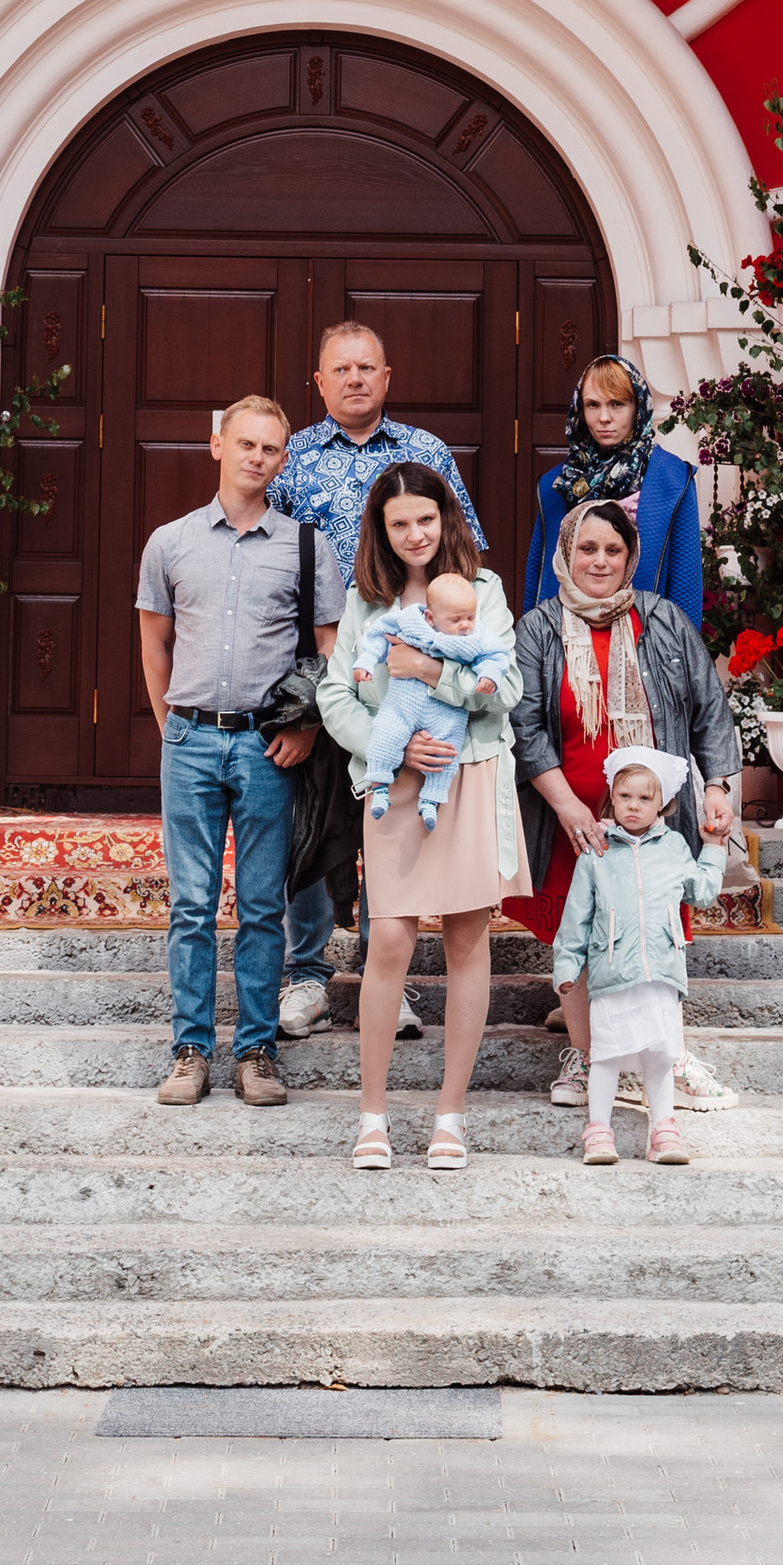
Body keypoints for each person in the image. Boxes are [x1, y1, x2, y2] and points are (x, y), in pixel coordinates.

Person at [272, 320, 487, 1043]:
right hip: (323, 675)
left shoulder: (423, 453)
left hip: (414, 678)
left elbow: (464, 554)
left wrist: (447, 659)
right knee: (314, 824)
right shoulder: (295, 458)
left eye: (368, 367)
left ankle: (380, 980)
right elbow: (274, 568)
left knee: (391, 824)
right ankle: (306, 976)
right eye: (342, 369)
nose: (356, 379)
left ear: (388, 377)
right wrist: (303, 696)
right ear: (320, 381)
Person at [136, 395, 345, 1109]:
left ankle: (256, 1051)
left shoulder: (306, 546)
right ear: (217, 444)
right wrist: (170, 722)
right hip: (191, 739)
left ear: (283, 458)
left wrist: (309, 725)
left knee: (261, 905)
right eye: (247, 443)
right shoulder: (170, 541)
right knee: (191, 905)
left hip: (267, 746)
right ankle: (190, 1049)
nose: (258, 457)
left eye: (272, 448)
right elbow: (154, 638)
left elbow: (330, 651)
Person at [507, 499, 742, 1115]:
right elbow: (524, 723)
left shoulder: (664, 620)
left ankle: (670, 1055)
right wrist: (567, 807)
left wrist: (717, 785)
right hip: (571, 815)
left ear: (631, 556)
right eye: (587, 549)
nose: (601, 561)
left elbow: (708, 708)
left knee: (656, 928)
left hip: (654, 816)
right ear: (566, 554)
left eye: (614, 550)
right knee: (579, 936)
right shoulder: (537, 627)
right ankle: (589, 1059)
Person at [317, 463, 521, 1170]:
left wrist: (429, 671)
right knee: (390, 941)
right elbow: (335, 697)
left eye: (425, 520)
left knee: (468, 940)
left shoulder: (484, 591)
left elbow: (508, 687)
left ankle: (450, 1116)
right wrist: (399, 748)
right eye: (399, 523)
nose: (414, 535)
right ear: (382, 528)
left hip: (467, 776)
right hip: (394, 782)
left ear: (447, 519)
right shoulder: (365, 603)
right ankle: (371, 1116)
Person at [553, 747, 729, 1166]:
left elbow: (702, 892)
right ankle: (598, 1131)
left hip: (662, 972)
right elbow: (576, 917)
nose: (634, 805)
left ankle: (663, 1130)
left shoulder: (674, 849)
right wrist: (566, 966)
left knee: (660, 1055)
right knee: (606, 1055)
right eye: (625, 796)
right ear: (612, 797)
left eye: (644, 798)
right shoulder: (597, 853)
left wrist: (714, 848)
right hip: (612, 971)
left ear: (662, 803)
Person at [524, 352, 702, 623]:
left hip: (645, 642)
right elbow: (539, 583)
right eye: (592, 405)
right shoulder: (558, 485)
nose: (603, 417)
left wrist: (679, 656)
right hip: (567, 640)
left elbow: (685, 585)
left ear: (638, 407)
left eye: (617, 404)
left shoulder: (672, 481)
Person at [353, 572, 515, 826]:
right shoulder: (410, 622)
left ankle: (431, 800)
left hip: (446, 711)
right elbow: (377, 636)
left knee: (445, 753)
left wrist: (489, 676)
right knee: (386, 733)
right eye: (456, 619)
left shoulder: (474, 637)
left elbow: (496, 656)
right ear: (430, 617)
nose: (465, 625)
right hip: (402, 704)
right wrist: (366, 663)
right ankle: (380, 787)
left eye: (470, 617)